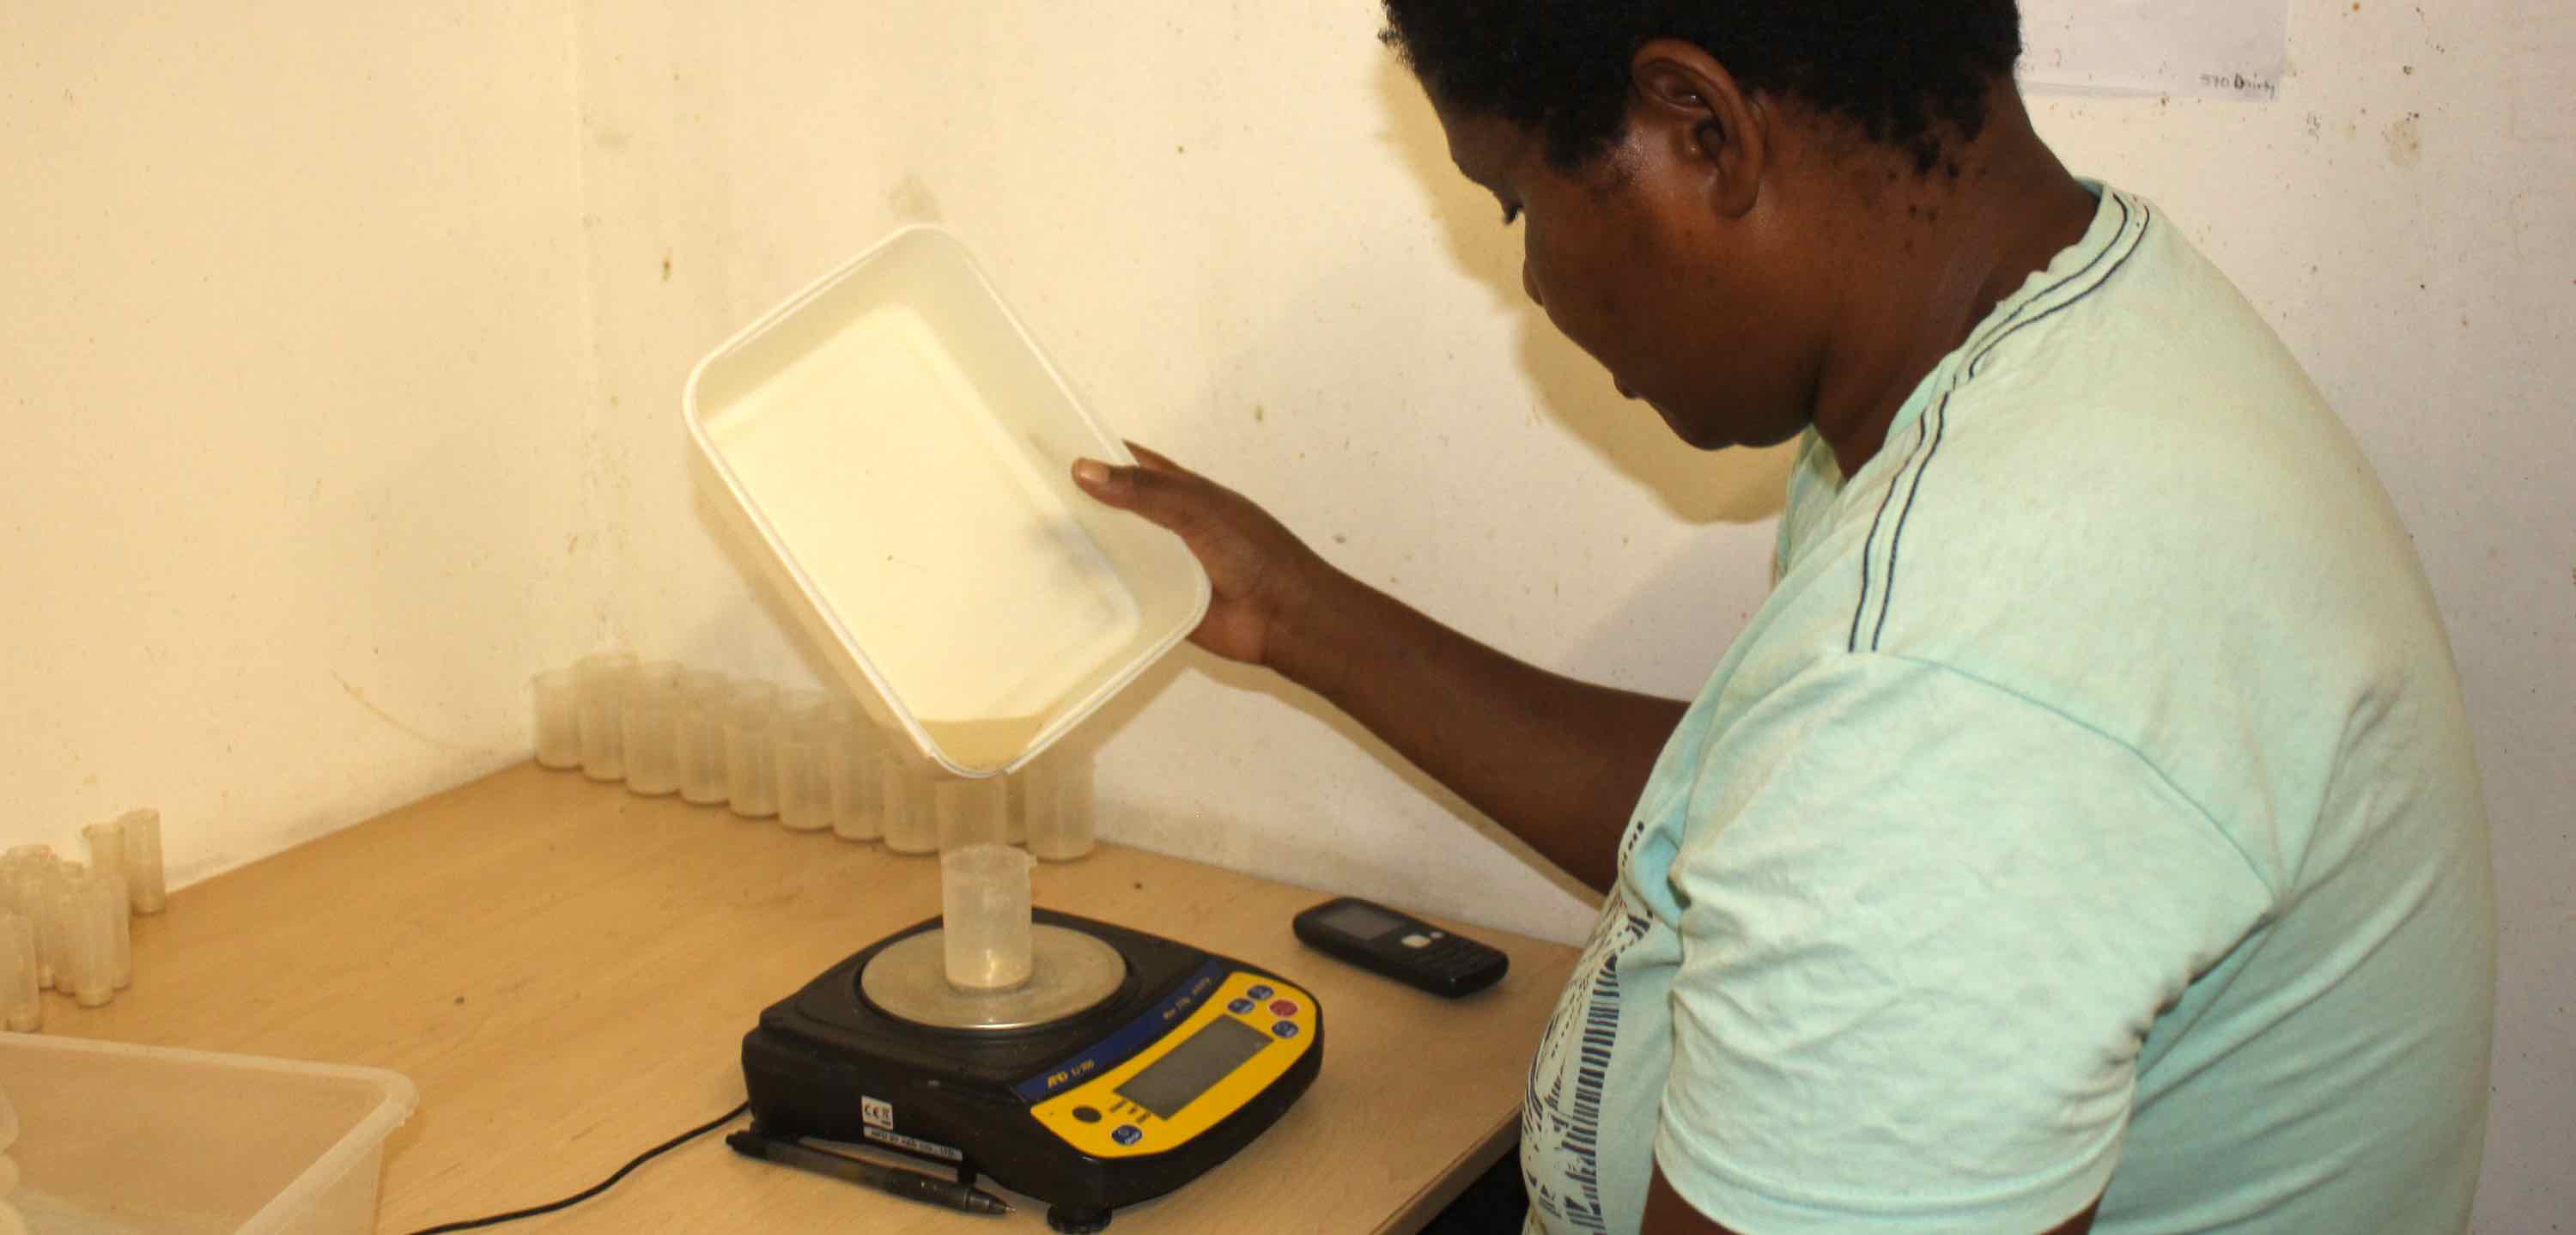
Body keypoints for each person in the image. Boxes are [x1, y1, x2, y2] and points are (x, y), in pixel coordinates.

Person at [1070, 3, 2495, 1232]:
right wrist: (1291, 611)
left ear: (1701, 125)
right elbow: (1768, 807)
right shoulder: (2056, 348)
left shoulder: (1960, 688)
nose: (1538, 283)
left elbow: (1884, 795)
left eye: (1518, 206)